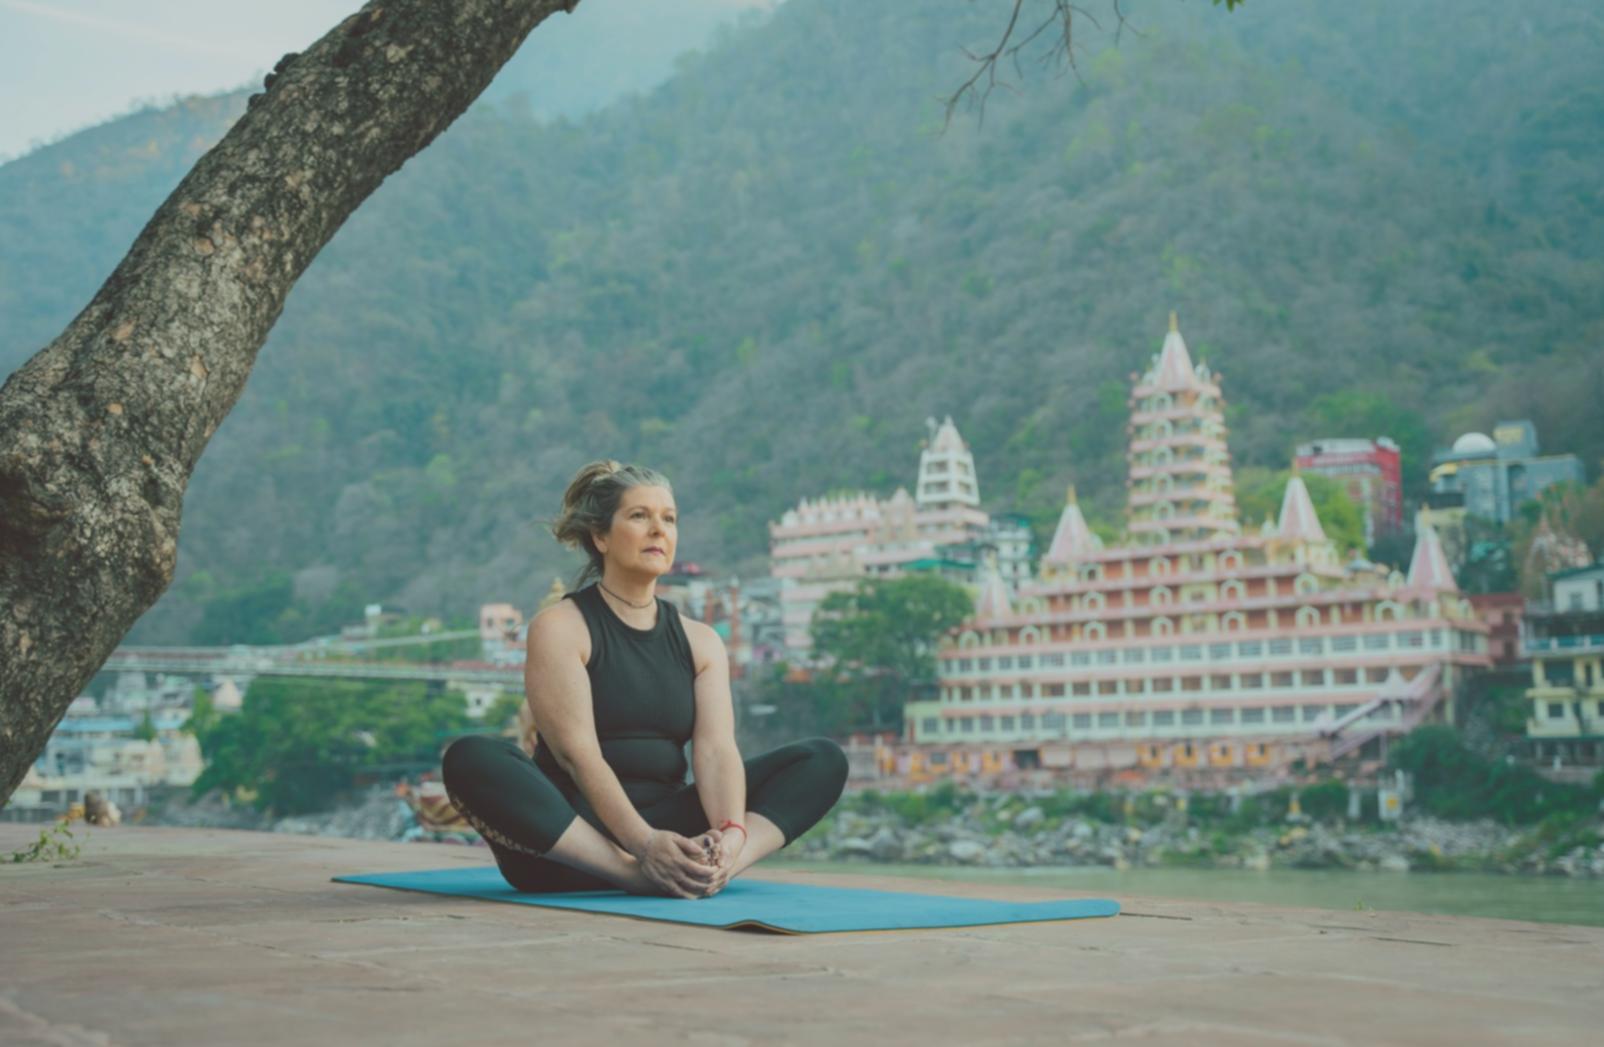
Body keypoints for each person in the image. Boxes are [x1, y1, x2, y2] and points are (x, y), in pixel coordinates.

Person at [441, 461, 848, 897]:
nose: (659, 530)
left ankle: (716, 871)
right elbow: (578, 754)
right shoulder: (561, 626)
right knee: (471, 756)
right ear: (601, 537)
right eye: (639, 516)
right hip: (568, 842)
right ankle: (635, 876)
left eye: (668, 519)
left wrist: (729, 835)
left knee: (821, 760)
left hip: (670, 828)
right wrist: (643, 847)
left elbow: (715, 750)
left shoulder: (702, 641)